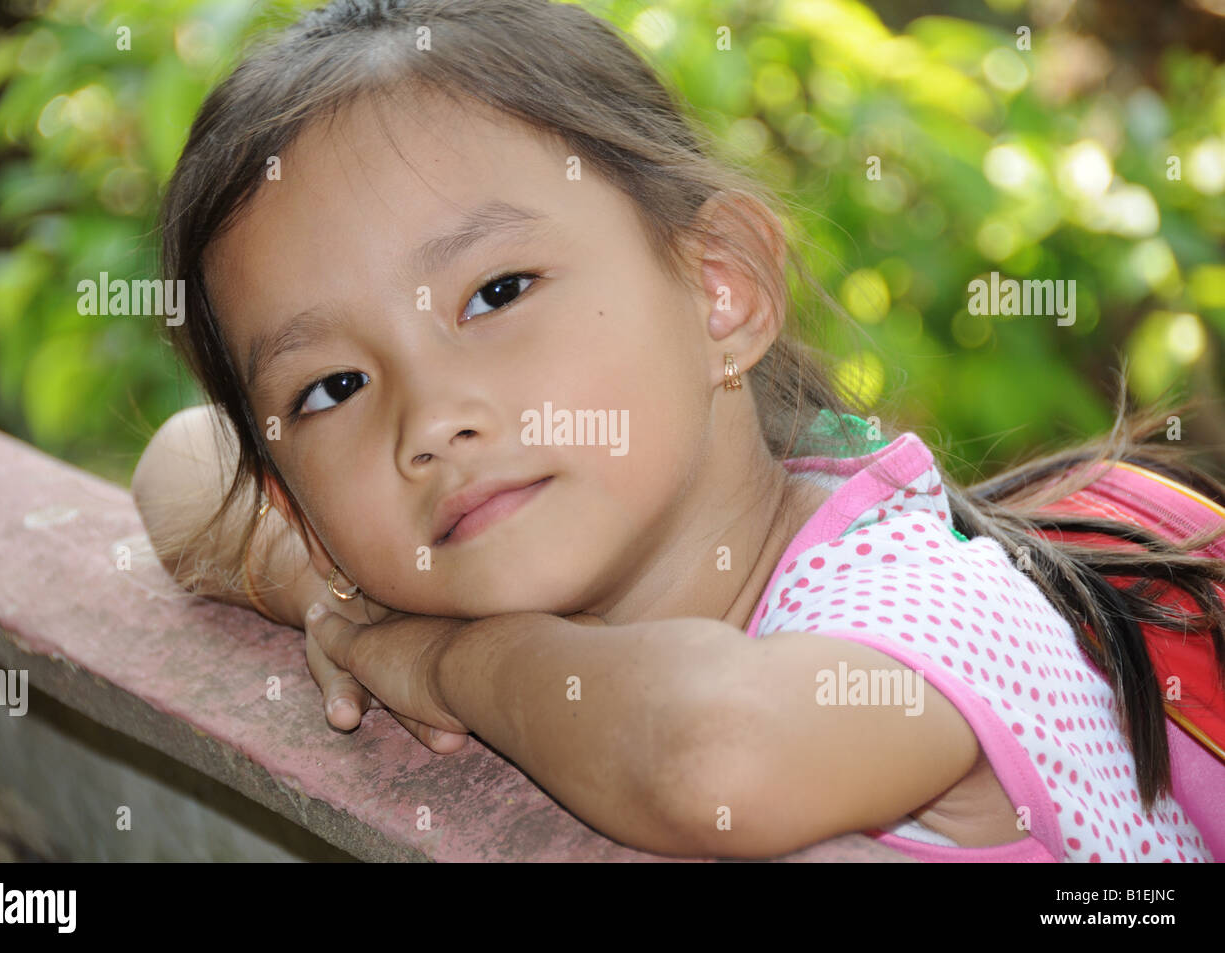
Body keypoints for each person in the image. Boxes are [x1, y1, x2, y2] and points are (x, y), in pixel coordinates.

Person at [131, 0, 1223, 860]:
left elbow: (717, 753)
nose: (430, 421)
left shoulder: (920, 593)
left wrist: (449, 661)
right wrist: (341, 601)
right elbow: (179, 465)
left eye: (497, 291)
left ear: (720, 292)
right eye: (332, 387)